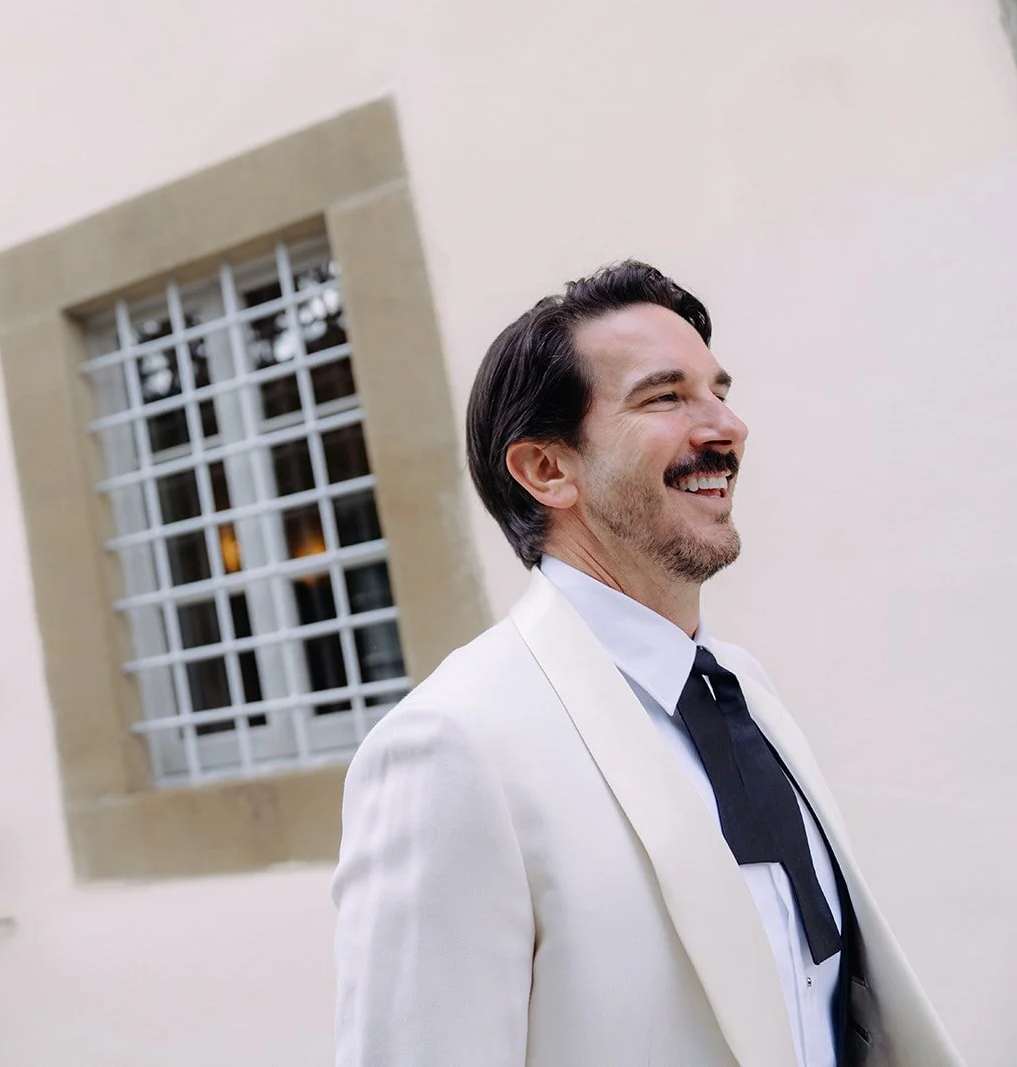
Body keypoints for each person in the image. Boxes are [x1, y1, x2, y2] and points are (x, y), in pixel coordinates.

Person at [331, 262, 962, 1067]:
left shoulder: (745, 691)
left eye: (717, 389)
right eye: (665, 397)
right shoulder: (452, 745)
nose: (725, 426)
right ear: (546, 470)